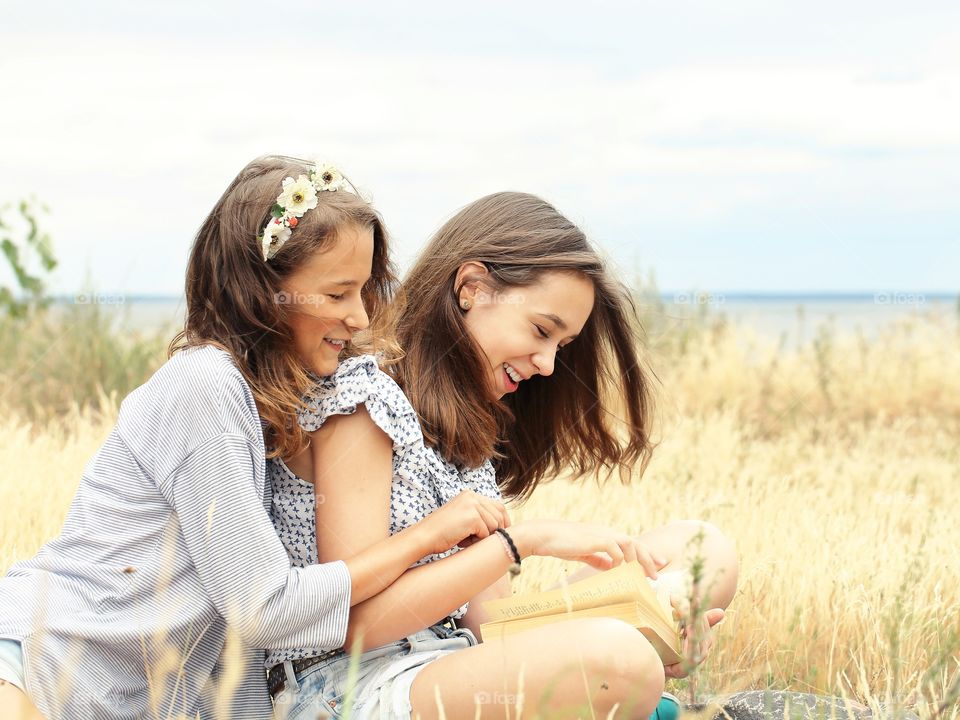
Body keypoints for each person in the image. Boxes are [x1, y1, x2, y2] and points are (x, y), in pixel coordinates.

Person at [0, 156, 508, 719]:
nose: (361, 318)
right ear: (262, 292)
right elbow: (262, 609)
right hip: (36, 669)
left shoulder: (274, 404)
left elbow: (239, 638)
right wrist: (427, 537)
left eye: (364, 292)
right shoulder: (205, 385)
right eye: (338, 294)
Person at [267, 192, 739, 719]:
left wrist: (645, 618)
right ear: (471, 287)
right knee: (619, 660)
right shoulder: (362, 400)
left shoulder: (469, 434)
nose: (547, 364)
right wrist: (523, 543)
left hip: (452, 662)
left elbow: (489, 627)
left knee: (700, 549)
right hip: (348, 686)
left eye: (562, 345)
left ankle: (631, 673)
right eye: (542, 331)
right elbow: (351, 628)